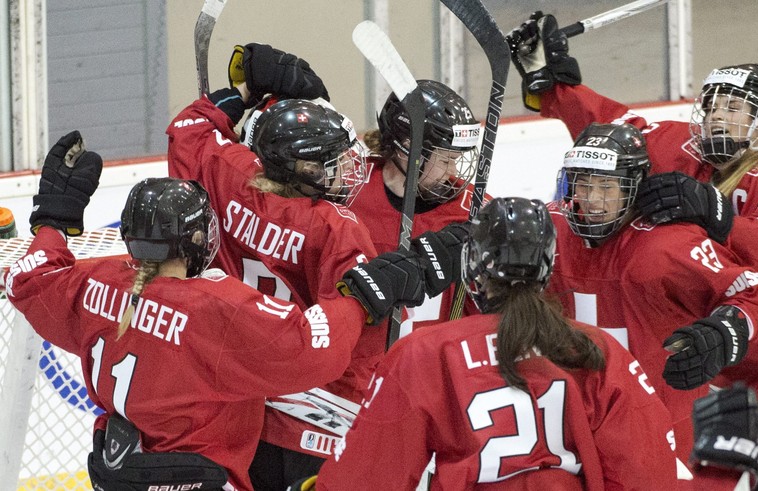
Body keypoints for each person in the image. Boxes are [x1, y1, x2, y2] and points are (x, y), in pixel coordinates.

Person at [508, 13, 758, 489]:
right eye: (712, 106)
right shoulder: (680, 147)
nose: (717, 117)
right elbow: (610, 124)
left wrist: (714, 209)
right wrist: (553, 84)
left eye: (734, 108)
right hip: (714, 372)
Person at [4, 132, 433, 491]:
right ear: (196, 240)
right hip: (193, 480)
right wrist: (358, 298)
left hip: (117, 474)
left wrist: (53, 223)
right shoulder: (213, 308)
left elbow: (30, 280)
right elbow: (309, 347)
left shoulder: (97, 280)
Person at [167, 44, 466, 489]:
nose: (350, 173)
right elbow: (359, 335)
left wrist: (243, 92)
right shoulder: (337, 226)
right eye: (335, 165)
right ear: (303, 167)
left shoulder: (228, 174)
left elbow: (188, 130)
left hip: (235, 400)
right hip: (316, 417)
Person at [316, 197, 681, 490]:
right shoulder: (595, 348)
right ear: (546, 266)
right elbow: (647, 471)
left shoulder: (426, 351)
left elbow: (369, 475)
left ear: (474, 268)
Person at [546, 123, 758, 468]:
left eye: (607, 185)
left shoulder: (670, 243)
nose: (592, 199)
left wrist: (722, 333)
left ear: (634, 187)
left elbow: (754, 294)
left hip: (664, 425)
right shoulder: (550, 229)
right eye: (584, 183)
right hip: (572, 427)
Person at [352, 79, 483, 335]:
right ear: (408, 149)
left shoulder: (472, 210)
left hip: (427, 368)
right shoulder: (351, 190)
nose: (453, 172)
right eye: (446, 160)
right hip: (359, 367)